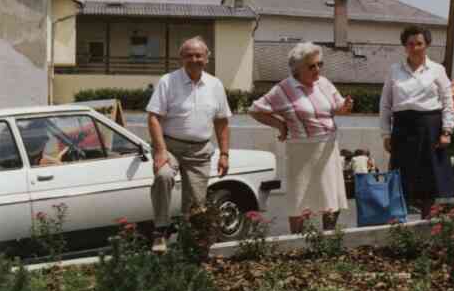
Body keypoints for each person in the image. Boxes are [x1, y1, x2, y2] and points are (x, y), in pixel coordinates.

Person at [248, 42, 354, 233]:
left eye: (320, 64)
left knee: (331, 196)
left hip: (328, 147)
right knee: (300, 199)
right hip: (301, 150)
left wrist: (345, 107)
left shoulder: (324, 83)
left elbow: (337, 107)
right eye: (311, 66)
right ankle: (297, 242)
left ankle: (329, 238)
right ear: (297, 69)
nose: (317, 69)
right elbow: (255, 110)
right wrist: (280, 125)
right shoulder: (283, 89)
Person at [146, 36, 232, 249]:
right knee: (164, 176)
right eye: (189, 55)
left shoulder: (215, 84)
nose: (194, 59)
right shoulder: (168, 81)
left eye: (198, 55)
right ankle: (161, 229)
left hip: (200, 151)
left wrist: (224, 153)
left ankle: (188, 242)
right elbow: (153, 117)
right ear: (181, 58)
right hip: (170, 146)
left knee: (196, 203)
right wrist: (160, 151)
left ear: (207, 58)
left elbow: (222, 121)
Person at [381, 25, 454, 220]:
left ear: (427, 45)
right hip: (402, 129)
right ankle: (399, 225)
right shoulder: (394, 70)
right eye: (410, 44)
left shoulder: (438, 70)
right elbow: (385, 104)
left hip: (430, 128)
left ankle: (428, 224)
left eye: (419, 43)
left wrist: (447, 131)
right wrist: (385, 134)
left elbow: (448, 102)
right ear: (405, 46)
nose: (414, 48)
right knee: (401, 180)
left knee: (430, 181)